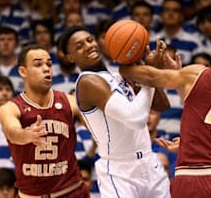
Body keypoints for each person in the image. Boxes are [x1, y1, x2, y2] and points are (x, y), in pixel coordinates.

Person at [120, 31, 211, 198]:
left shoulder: (200, 74)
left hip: (189, 178)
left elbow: (151, 76)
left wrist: (125, 66)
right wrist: (193, 142)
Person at [58, 26, 171, 198]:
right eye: (79, 46)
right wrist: (148, 77)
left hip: (149, 162)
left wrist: (151, 73)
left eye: (90, 40)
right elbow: (136, 118)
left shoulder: (118, 75)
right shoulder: (87, 82)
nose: (89, 46)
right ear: (70, 57)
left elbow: (162, 105)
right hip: (120, 171)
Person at [0, 44, 90, 198]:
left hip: (71, 192)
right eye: (38, 64)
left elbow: (98, 127)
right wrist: (27, 135)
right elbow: (12, 131)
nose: (46, 68)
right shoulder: (10, 108)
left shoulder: (69, 101)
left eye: (49, 64)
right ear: (22, 71)